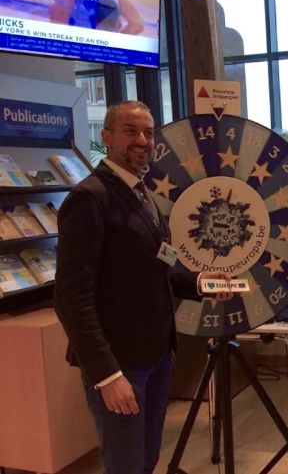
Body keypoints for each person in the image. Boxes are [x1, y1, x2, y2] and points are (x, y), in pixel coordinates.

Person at [54, 100, 232, 474]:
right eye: (131, 131)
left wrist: (201, 282)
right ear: (106, 138)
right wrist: (107, 375)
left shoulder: (142, 193)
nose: (143, 140)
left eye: (149, 133)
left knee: (147, 460)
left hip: (156, 357)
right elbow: (72, 299)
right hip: (121, 367)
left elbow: (160, 265)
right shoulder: (89, 199)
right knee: (126, 466)